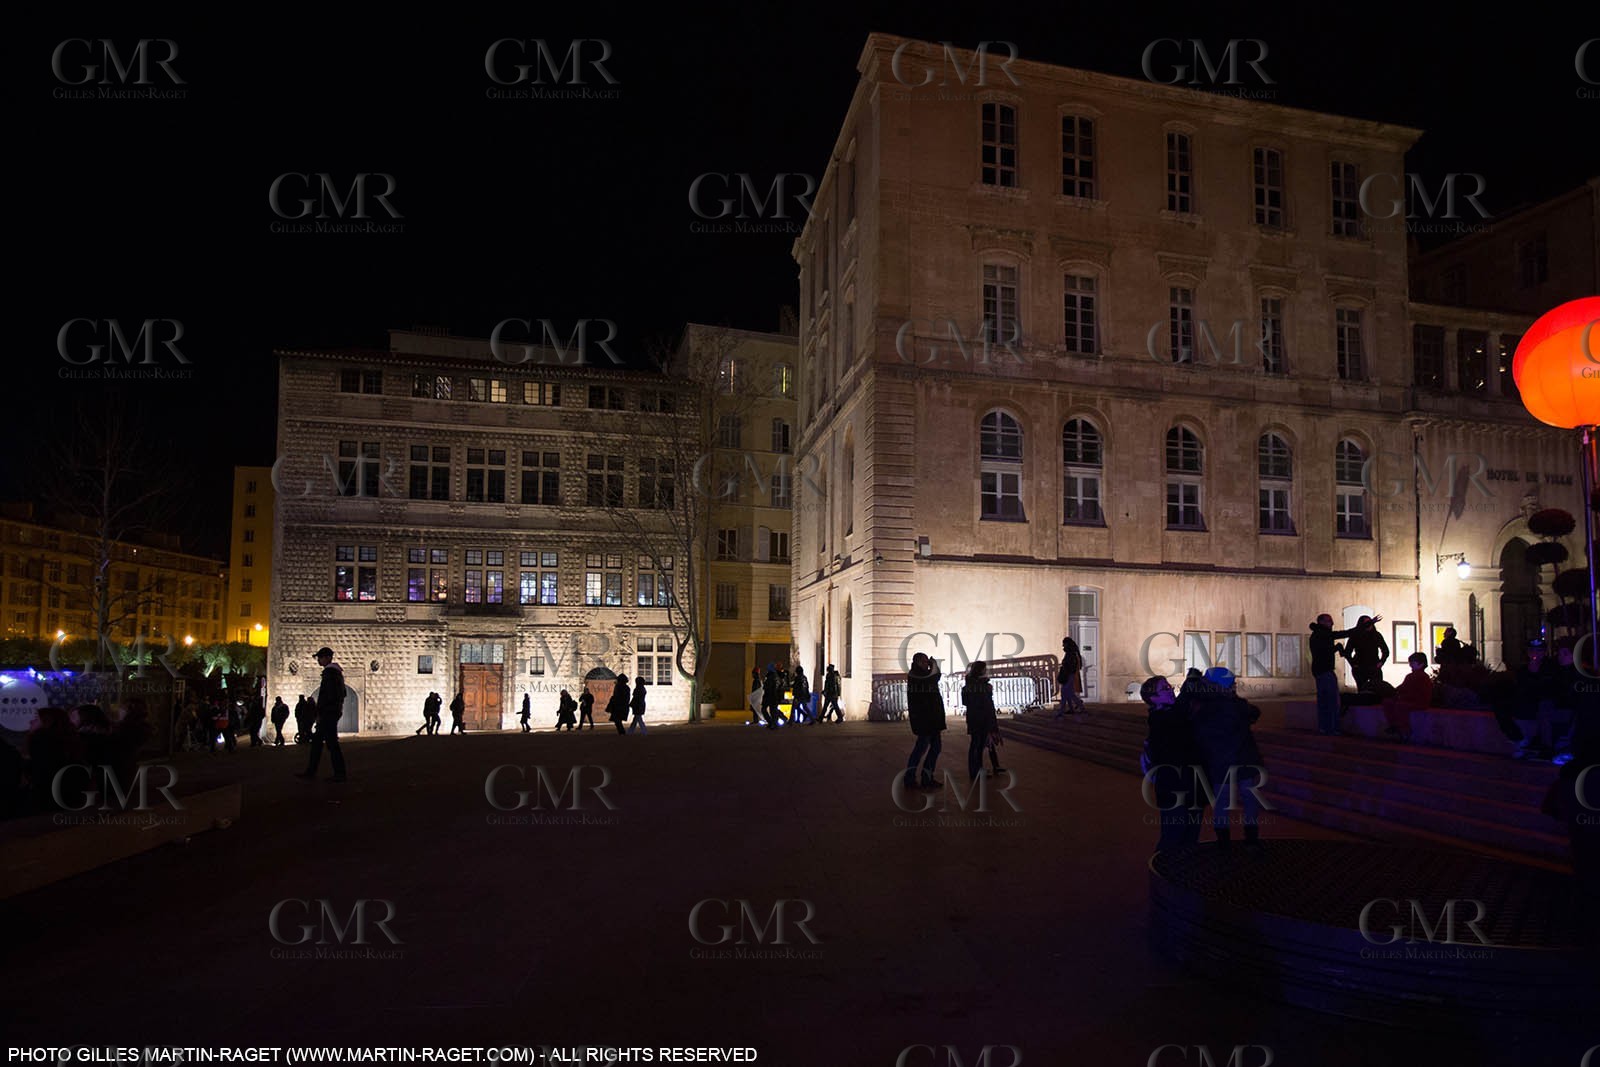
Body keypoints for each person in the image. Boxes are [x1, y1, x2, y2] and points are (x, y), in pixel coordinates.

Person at [1187, 667, 1266, 850]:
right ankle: (1251, 838)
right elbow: (1254, 712)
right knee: (1249, 797)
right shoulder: (1235, 705)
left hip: (1219, 760)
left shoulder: (1202, 705)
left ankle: (1223, 840)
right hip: (1242, 757)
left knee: (1222, 802)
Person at [1141, 675, 1201, 852]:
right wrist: (1188, 689)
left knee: (1191, 835)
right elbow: (1176, 720)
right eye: (1165, 689)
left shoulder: (1174, 714)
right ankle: (1161, 872)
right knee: (1173, 834)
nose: (1171, 691)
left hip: (1191, 784)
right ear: (1154, 699)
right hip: (1173, 787)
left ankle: (1185, 872)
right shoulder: (1160, 720)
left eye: (1169, 687)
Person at [1309, 613, 1378, 735]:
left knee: (1323, 701)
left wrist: (1338, 648)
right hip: (1325, 671)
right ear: (1323, 622)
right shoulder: (1324, 634)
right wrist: (1366, 624)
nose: (1332, 623)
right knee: (1332, 701)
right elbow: (1344, 633)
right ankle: (1332, 728)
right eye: (1330, 621)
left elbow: (1325, 650)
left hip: (1319, 671)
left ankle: (1324, 727)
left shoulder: (1317, 635)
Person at [295, 646, 347, 783]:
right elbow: (343, 694)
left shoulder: (330, 673)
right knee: (320, 743)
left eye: (320, 657)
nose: (318, 660)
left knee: (329, 744)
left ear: (328, 658)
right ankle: (313, 771)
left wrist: (320, 713)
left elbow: (327, 696)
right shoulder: (336, 674)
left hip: (327, 715)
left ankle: (338, 773)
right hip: (331, 713)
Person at [903, 653, 946, 788]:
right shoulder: (917, 675)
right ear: (919, 662)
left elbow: (934, 678)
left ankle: (926, 777)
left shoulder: (921, 674)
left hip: (931, 719)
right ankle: (910, 778)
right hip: (925, 719)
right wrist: (935, 666)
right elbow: (934, 678)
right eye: (925, 661)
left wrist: (933, 667)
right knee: (921, 749)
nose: (927, 663)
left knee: (934, 748)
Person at [1382, 653, 1434, 742]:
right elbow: (1403, 688)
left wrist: (1399, 696)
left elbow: (1412, 691)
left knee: (1400, 706)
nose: (1410, 665)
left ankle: (1403, 730)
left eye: (1413, 662)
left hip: (1418, 702)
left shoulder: (1419, 677)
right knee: (1389, 703)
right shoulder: (1414, 676)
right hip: (1412, 700)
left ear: (1421, 664)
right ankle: (1394, 726)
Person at [961, 661, 999, 781]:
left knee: (975, 745)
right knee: (978, 746)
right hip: (982, 719)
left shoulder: (967, 686)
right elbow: (987, 705)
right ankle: (978, 771)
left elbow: (965, 702)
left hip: (973, 718)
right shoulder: (984, 686)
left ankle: (975, 771)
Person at [1341, 616, 1390, 694]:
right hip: (1360, 667)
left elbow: (1385, 651)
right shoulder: (1356, 636)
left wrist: (1381, 662)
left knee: (1377, 689)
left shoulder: (1376, 635)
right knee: (1363, 690)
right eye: (1367, 623)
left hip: (1374, 666)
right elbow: (1347, 652)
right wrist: (1353, 664)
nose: (1369, 625)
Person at [1054, 637, 1085, 718]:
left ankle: (1062, 711)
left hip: (1068, 675)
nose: (1063, 645)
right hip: (1069, 675)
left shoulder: (1070, 653)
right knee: (1069, 693)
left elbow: (1070, 666)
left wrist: (1065, 669)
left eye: (1064, 643)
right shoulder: (1073, 652)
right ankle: (1076, 708)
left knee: (1065, 693)